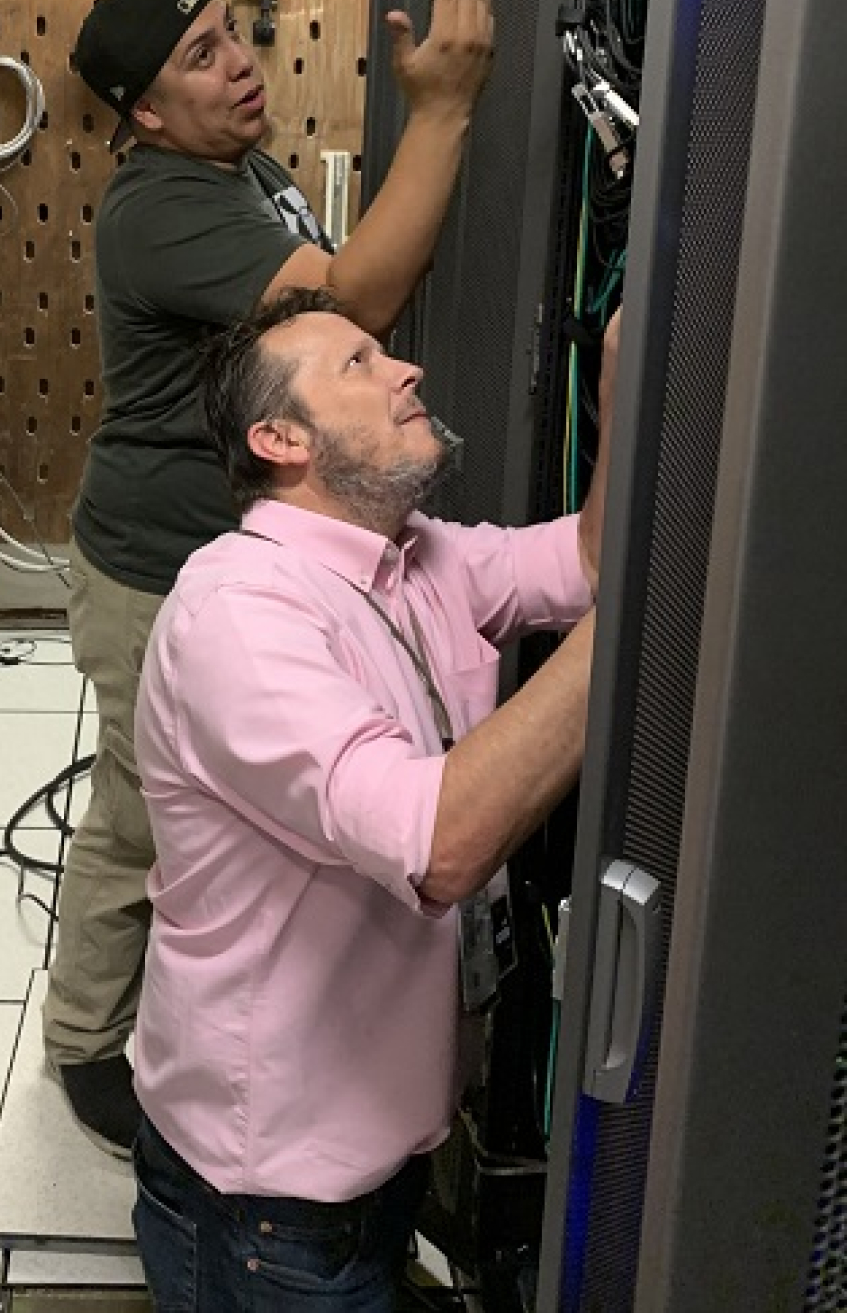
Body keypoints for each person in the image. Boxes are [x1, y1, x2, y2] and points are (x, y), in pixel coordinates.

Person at [42, 0, 495, 1154]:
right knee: (139, 815)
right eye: (199, 57)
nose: (238, 63)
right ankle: (87, 1040)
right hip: (155, 565)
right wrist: (443, 108)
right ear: (144, 111)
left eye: (228, 35)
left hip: (232, 566)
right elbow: (359, 292)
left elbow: (344, 304)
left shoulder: (245, 170)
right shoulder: (162, 205)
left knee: (196, 816)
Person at [128, 287, 616, 1310]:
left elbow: (585, 558)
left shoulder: (417, 557)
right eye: (358, 364)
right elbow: (436, 842)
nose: (407, 372)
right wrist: (645, 609)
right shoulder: (240, 614)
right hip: (272, 1198)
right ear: (280, 437)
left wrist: (626, 386)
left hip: (372, 1144)